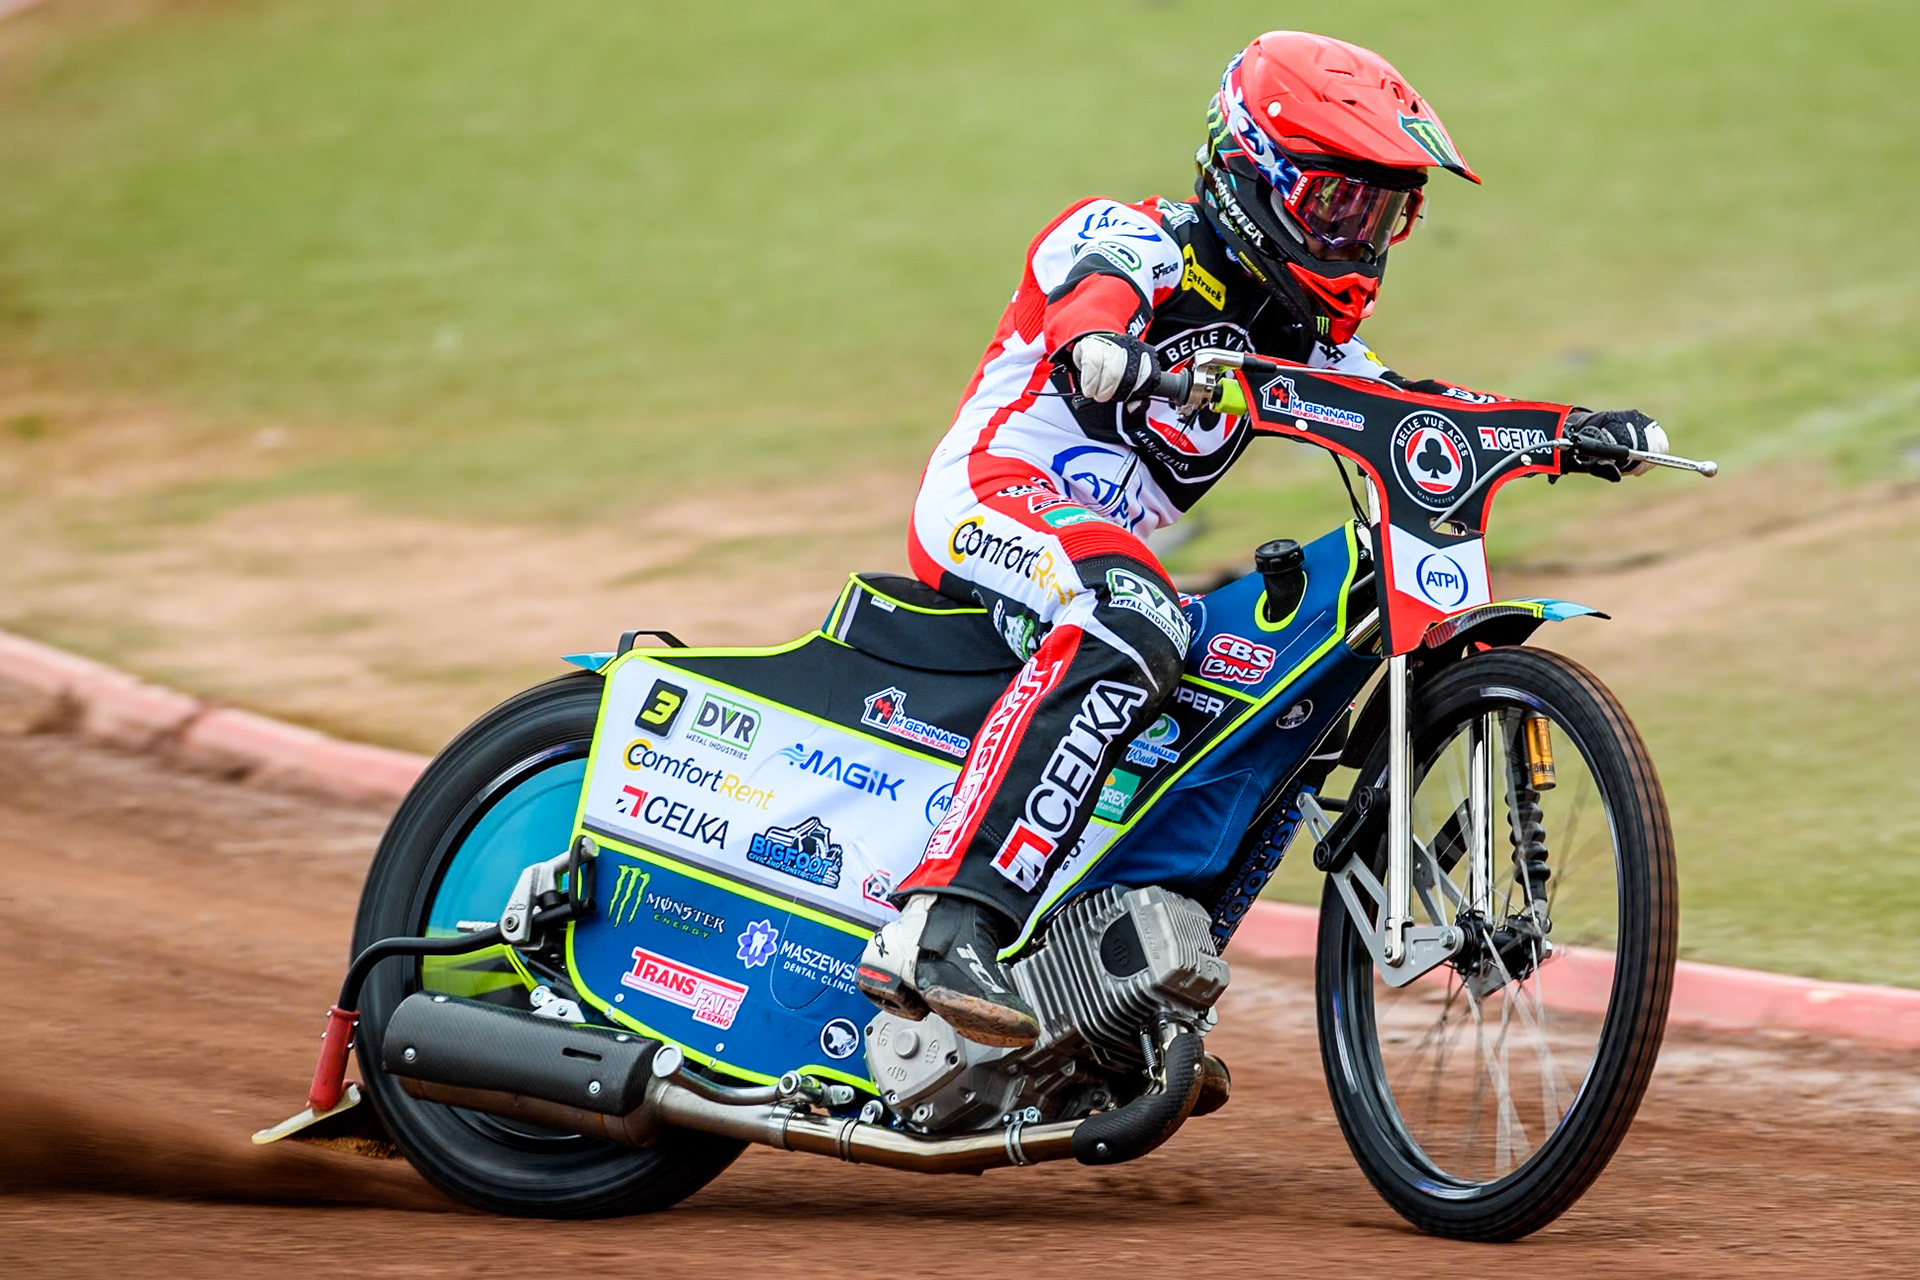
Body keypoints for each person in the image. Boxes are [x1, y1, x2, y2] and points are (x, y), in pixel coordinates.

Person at [855, 30, 1668, 1048]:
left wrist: (1563, 431)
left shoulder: (1307, 336)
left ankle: (1114, 996)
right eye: (1334, 202)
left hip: (1096, 544)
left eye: (1379, 212)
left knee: (1264, 704)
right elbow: (1092, 295)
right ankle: (944, 921)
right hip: (992, 494)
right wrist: (1102, 344)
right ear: (1249, 170)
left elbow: (1411, 410)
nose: (1353, 238)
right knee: (1133, 613)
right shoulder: (1138, 234)